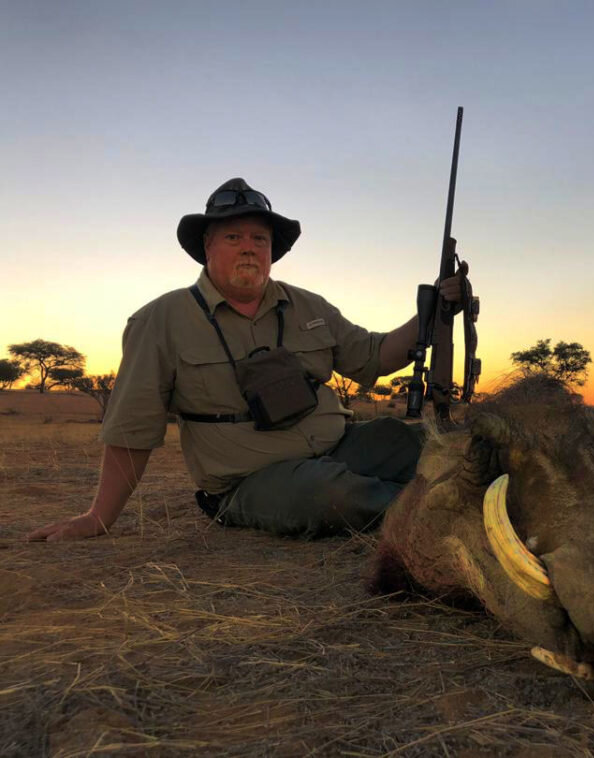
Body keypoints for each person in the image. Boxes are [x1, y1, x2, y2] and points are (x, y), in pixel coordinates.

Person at [27, 178, 465, 541]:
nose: (249, 248)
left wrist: (432, 311)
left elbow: (374, 356)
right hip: (252, 481)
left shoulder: (308, 305)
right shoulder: (160, 320)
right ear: (208, 247)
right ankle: (446, 516)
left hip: (340, 445)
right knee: (334, 495)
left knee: (423, 445)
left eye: (260, 238)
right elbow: (131, 429)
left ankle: (460, 496)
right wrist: (97, 518)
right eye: (233, 237)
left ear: (272, 251)